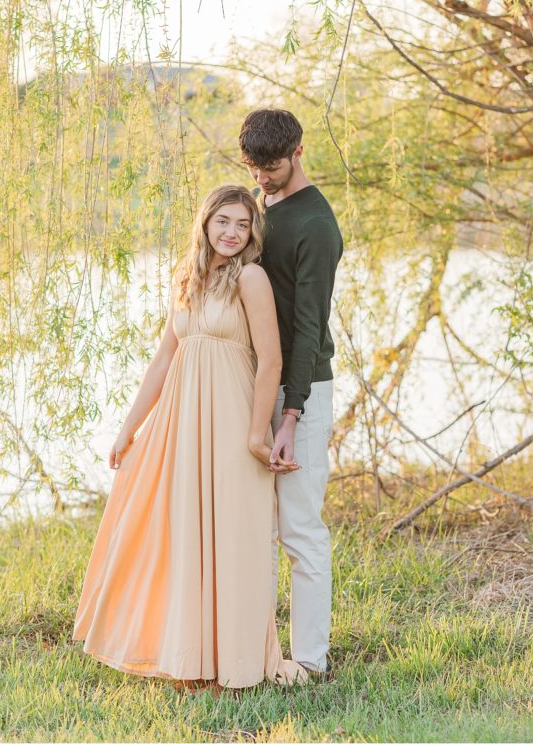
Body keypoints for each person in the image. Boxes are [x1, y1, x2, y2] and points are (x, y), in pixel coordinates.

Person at [72, 184, 308, 690]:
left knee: (235, 536)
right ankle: (190, 658)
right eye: (223, 221)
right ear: (205, 224)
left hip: (233, 418)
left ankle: (237, 664)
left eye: (242, 224)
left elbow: (271, 360)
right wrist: (127, 427)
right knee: (186, 537)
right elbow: (163, 359)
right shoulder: (189, 279)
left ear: (251, 233)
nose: (231, 232)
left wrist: (255, 433)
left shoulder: (252, 278)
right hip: (183, 422)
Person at [239, 109, 344, 678]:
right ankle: (255, 651)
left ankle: (310, 661)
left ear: (299, 151)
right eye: (253, 167)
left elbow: (309, 325)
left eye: (272, 167)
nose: (262, 177)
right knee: (255, 526)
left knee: (301, 529)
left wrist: (290, 415)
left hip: (301, 388)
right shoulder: (261, 208)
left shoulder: (317, 225)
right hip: (255, 384)